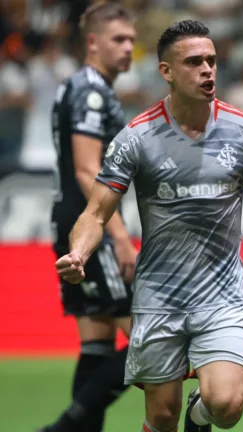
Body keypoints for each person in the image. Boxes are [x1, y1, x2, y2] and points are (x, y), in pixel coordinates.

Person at [55, 20, 243, 432]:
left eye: (211, 61)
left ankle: (200, 415)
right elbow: (95, 213)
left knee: (227, 406)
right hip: (158, 298)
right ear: (166, 71)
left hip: (222, 297)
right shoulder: (136, 137)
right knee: (162, 417)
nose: (207, 70)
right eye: (194, 62)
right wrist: (79, 253)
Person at [41, 3, 137, 431]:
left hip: (68, 223)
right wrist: (119, 236)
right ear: (93, 42)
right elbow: (87, 169)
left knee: (97, 344)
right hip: (90, 230)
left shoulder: (75, 86)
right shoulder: (92, 92)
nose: (128, 47)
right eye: (119, 39)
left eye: (131, 40)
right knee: (151, 341)